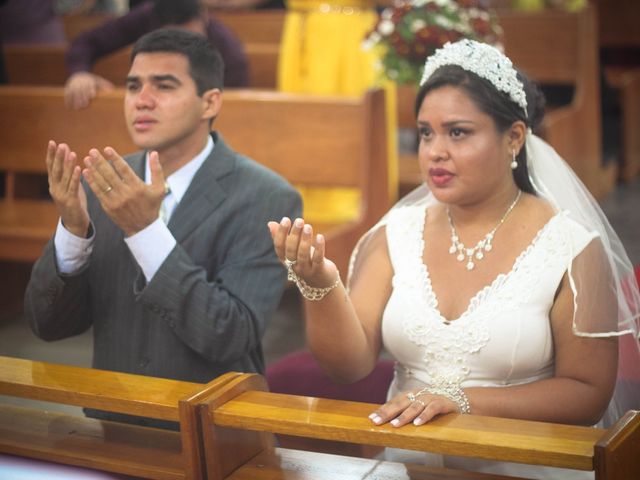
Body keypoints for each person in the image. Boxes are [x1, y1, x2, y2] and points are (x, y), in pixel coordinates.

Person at [268, 39, 640, 478]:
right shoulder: (397, 232)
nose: (435, 151)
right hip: (411, 463)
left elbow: (587, 393)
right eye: (426, 132)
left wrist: (462, 401)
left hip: (525, 465)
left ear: (514, 138)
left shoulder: (572, 246)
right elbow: (349, 367)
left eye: (457, 132)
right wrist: (319, 284)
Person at [25, 28, 302, 429]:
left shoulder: (266, 196)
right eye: (133, 85)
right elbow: (47, 326)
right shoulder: (101, 181)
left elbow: (229, 335)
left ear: (210, 102)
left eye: (164, 85)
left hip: (215, 436)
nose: (142, 100)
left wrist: (144, 230)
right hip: (113, 427)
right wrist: (72, 232)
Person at [276, 0, 398, 226]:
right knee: (304, 122)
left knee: (360, 117)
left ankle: (365, 208)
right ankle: (301, 205)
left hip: (353, 34)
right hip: (304, 28)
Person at [64, 0, 249, 109]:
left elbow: (234, 103)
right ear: (157, 25)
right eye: (172, 38)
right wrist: (80, 72)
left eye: (190, 37)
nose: (182, 46)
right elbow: (87, 42)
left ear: (204, 17)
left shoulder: (227, 47)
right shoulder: (146, 15)